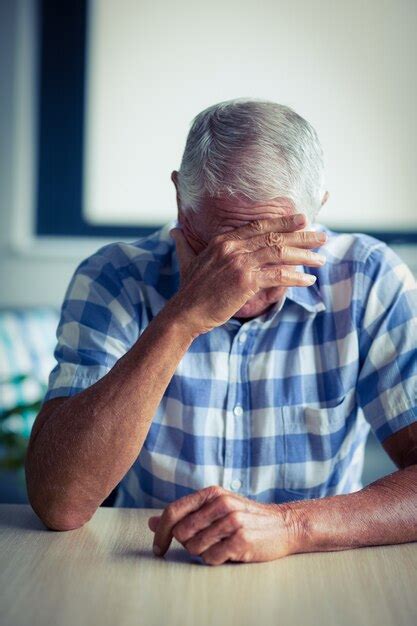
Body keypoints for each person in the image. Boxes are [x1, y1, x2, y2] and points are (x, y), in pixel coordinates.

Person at [26, 99, 417, 566]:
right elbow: (59, 503)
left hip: (311, 573)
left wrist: (292, 525)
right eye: (217, 250)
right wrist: (181, 319)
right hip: (143, 564)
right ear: (179, 201)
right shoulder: (114, 279)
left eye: (271, 250)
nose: (243, 281)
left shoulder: (370, 280)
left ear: (315, 214)